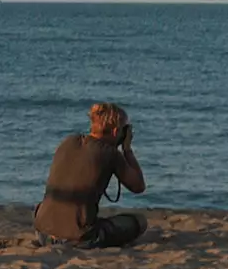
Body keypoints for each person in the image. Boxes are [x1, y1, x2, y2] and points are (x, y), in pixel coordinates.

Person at [34, 103, 147, 248]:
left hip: (43, 233)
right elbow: (138, 186)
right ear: (115, 131)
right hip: (79, 238)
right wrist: (127, 150)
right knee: (139, 221)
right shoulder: (111, 154)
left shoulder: (68, 142)